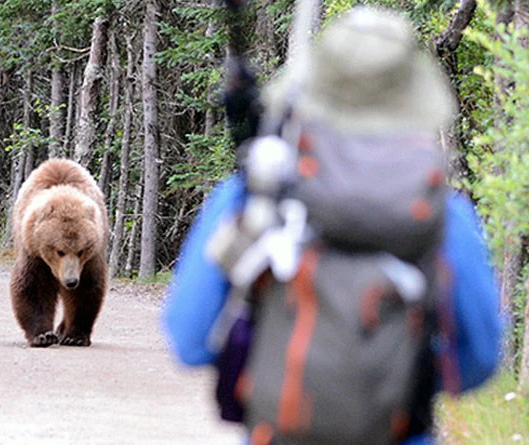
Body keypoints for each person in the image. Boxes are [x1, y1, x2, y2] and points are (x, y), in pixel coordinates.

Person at [162, 7, 502, 445]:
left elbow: (190, 339)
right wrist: (390, 378)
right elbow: (477, 364)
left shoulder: (258, 194)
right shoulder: (443, 215)